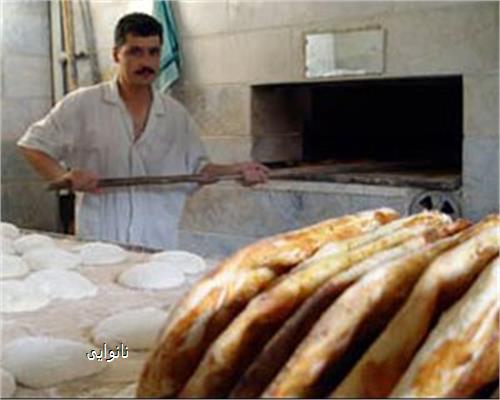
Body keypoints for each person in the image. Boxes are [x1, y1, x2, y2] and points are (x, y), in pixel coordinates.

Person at [17, 12, 269, 250]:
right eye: (135, 52)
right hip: (99, 244)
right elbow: (32, 145)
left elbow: (199, 171)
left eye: (153, 52)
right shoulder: (83, 104)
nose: (146, 62)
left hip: (158, 244)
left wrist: (236, 170)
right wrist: (65, 176)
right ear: (116, 55)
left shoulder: (176, 116)